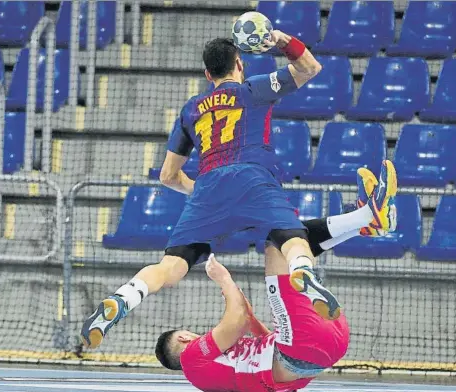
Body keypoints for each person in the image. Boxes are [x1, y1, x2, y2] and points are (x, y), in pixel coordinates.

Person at [80, 28, 397, 349]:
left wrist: (201, 193)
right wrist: (283, 41)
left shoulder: (191, 109)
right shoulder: (252, 91)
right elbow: (310, 68)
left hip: (208, 188)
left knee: (171, 265)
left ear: (207, 74)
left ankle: (124, 298)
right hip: (252, 177)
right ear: (239, 64)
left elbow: (167, 176)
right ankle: (305, 274)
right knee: (291, 239)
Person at [155, 248, 349, 392]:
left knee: (297, 243)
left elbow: (247, 324)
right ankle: (356, 223)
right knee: (277, 245)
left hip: (326, 352)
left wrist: (249, 316)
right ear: (183, 338)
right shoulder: (190, 356)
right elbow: (236, 323)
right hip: (297, 350)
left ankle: (360, 222)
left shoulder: (216, 375)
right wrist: (224, 279)